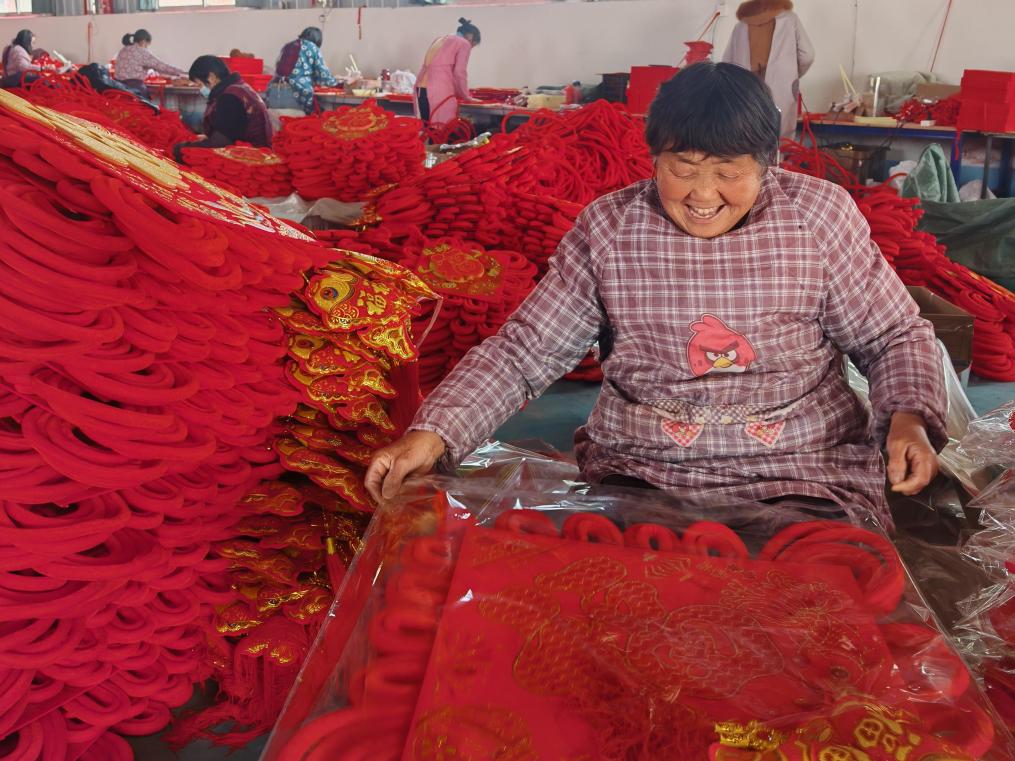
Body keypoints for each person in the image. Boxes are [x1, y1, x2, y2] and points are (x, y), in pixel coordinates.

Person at [366, 62, 946, 530]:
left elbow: (891, 335)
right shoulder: (611, 229)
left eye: (728, 172)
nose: (703, 195)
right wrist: (435, 433)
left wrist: (909, 419)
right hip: (645, 474)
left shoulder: (818, 217)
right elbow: (525, 351)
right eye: (683, 168)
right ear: (654, 158)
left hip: (802, 470)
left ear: (767, 162)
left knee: (820, 599)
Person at [723, 0, 814, 137]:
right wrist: (792, 75)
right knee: (780, 137)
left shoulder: (741, 25)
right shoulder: (790, 19)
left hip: (746, 88)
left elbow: (726, 63)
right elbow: (807, 55)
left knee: (746, 135)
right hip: (781, 87)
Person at [172, 55, 273, 164]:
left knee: (182, 153)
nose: (200, 89)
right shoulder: (239, 88)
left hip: (252, 160)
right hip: (259, 152)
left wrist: (183, 148)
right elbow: (232, 131)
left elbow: (219, 144)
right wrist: (209, 137)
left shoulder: (230, 98)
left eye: (200, 84)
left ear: (211, 77)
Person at [414, 17, 480, 126]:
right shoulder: (464, 43)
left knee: (426, 128)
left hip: (421, 89)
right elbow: (459, 72)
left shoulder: (440, 39)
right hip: (438, 92)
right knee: (441, 129)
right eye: (473, 45)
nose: (471, 48)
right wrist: (466, 96)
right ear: (470, 37)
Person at [266, 27, 338, 115]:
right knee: (319, 114)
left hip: (273, 93)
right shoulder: (312, 47)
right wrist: (337, 82)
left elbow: (282, 67)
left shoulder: (288, 45)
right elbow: (324, 74)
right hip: (295, 95)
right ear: (317, 40)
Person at [114, 29, 186, 99]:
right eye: (146, 45)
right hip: (134, 90)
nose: (146, 48)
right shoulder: (142, 52)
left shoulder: (123, 50)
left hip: (118, 89)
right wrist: (183, 73)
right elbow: (162, 66)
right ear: (143, 41)